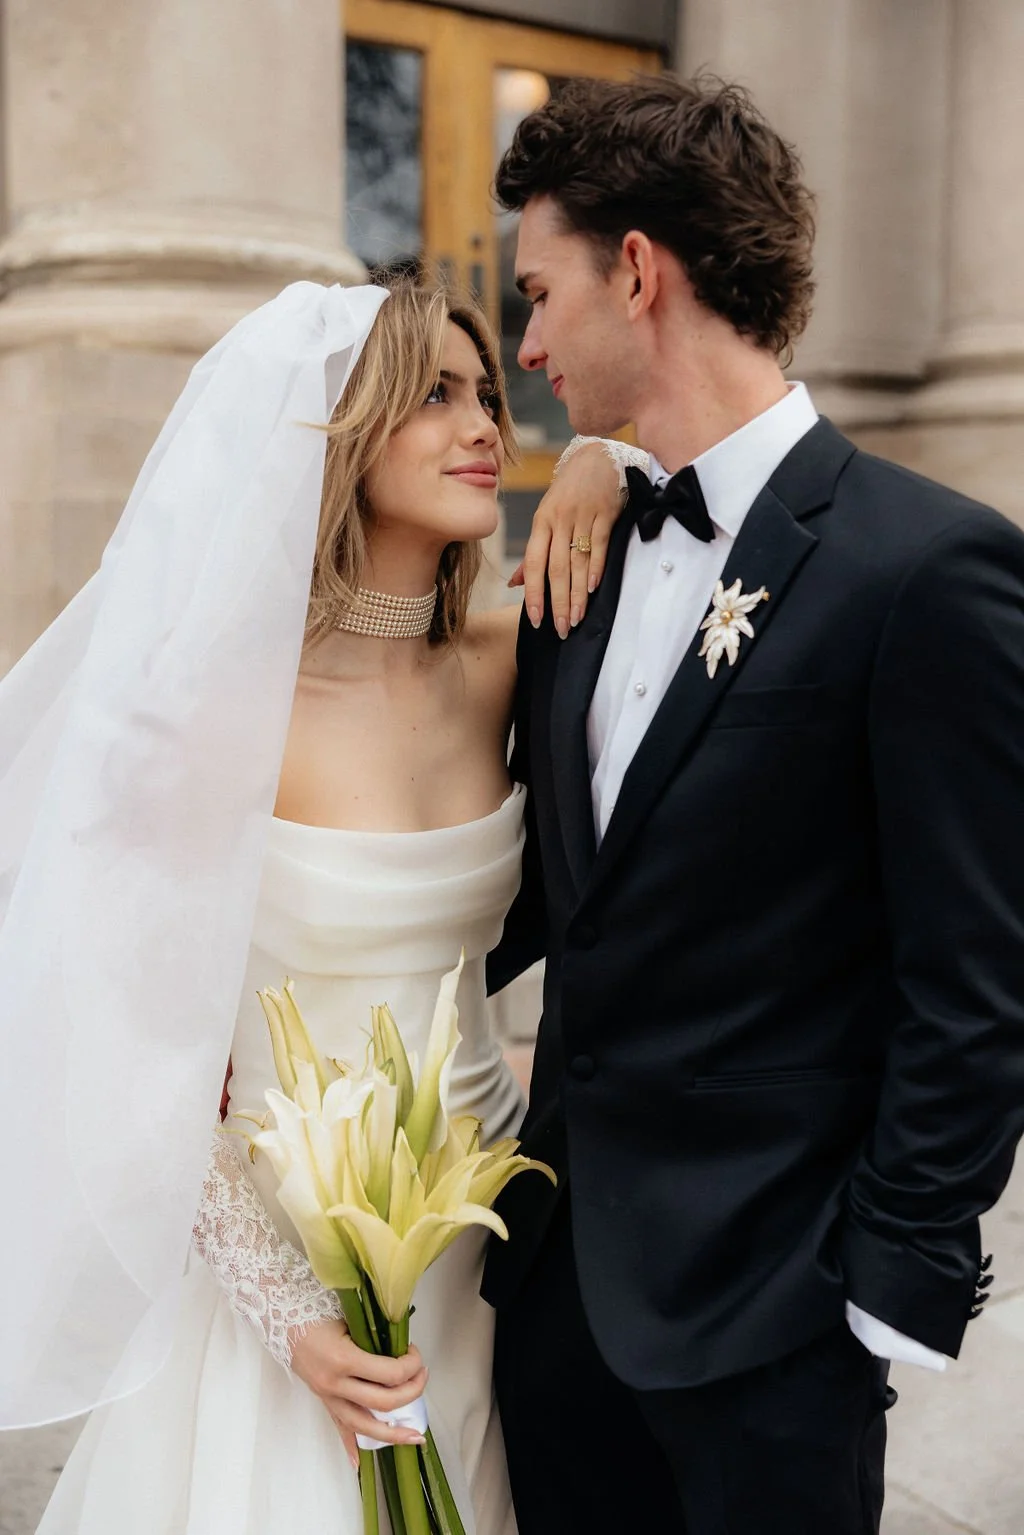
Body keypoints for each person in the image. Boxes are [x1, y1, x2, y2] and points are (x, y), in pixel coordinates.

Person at [483, 73, 1024, 1535]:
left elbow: (974, 978)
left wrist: (884, 1295)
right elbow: (545, 891)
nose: (525, 343)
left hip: (778, 1321)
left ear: (638, 272)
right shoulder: (571, 557)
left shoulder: (931, 570)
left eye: (538, 294)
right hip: (552, 1292)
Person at [0, 277, 628, 1533]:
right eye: (435, 397)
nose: (484, 428)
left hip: (482, 1244)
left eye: (488, 395)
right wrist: (294, 1317)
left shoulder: (510, 663)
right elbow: (125, 1054)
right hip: (287, 1269)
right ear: (344, 432)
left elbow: (759, 493)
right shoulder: (210, 712)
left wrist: (608, 454)